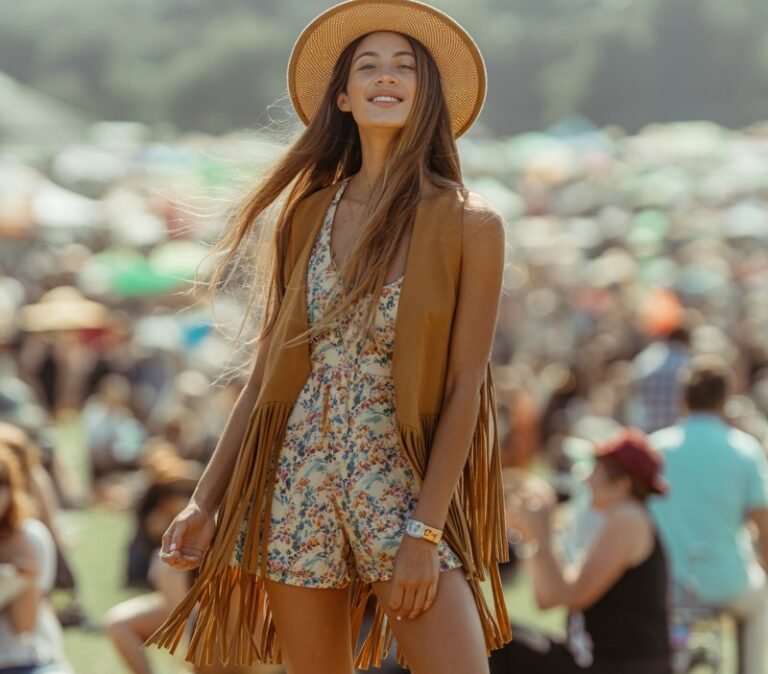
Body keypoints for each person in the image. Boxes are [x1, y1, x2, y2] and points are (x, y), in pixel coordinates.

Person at [145, 2, 509, 674]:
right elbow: (264, 377)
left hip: (400, 489)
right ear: (343, 97)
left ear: (426, 92)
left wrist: (425, 532)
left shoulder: (469, 224)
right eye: (367, 65)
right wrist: (205, 500)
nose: (386, 76)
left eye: (405, 65)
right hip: (297, 482)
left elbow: (465, 388)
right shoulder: (306, 213)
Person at [490, 428, 672, 674]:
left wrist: (543, 531)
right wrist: (533, 535)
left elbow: (574, 596)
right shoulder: (618, 519)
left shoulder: (629, 518)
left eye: (597, 471)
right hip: (591, 658)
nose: (587, 479)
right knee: (494, 632)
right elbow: (548, 598)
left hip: (617, 666)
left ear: (622, 483)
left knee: (493, 640)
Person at [649, 355, 768, 674]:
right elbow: (764, 525)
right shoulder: (744, 449)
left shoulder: (656, 448)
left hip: (667, 585)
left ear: (683, 397)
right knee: (760, 604)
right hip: (729, 582)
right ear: (725, 399)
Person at [0, 444, 72, 674]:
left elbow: (24, 625)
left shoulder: (30, 536)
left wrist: (21, 573)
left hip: (25, 659)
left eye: (2, 484)